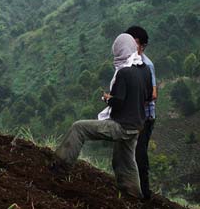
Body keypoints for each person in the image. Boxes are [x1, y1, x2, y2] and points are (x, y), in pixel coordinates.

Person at [55, 33, 153, 198]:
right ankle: (134, 196)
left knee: (79, 128)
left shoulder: (123, 73)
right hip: (136, 126)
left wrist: (108, 99)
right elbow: (148, 96)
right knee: (126, 161)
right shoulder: (143, 71)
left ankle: (59, 166)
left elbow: (119, 101)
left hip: (121, 126)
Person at [125, 26, 157, 200]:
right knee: (130, 152)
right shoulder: (130, 63)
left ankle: (144, 193)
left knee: (139, 153)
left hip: (144, 118)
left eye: (134, 43)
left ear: (142, 46)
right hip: (134, 116)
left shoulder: (147, 65)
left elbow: (152, 94)